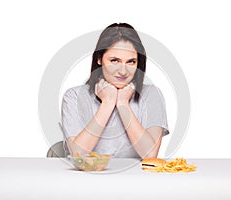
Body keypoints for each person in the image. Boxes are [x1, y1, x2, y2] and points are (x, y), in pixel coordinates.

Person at [61, 23, 169, 159]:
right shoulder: (74, 96)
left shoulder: (151, 95)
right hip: (87, 178)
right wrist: (107, 102)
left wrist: (123, 103)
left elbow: (150, 154)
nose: (123, 71)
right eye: (114, 60)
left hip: (136, 178)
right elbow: (78, 154)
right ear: (99, 59)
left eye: (131, 62)